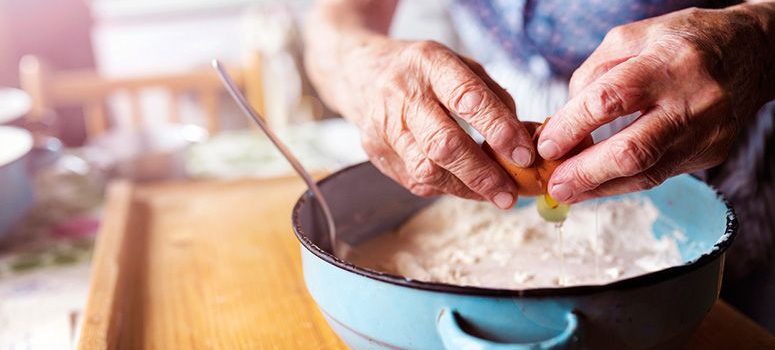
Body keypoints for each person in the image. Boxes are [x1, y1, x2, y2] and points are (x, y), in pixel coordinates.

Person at [303, 0, 775, 330]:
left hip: (728, 163)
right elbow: (336, 18)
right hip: (493, 141)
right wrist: (360, 65)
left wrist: (759, 37)